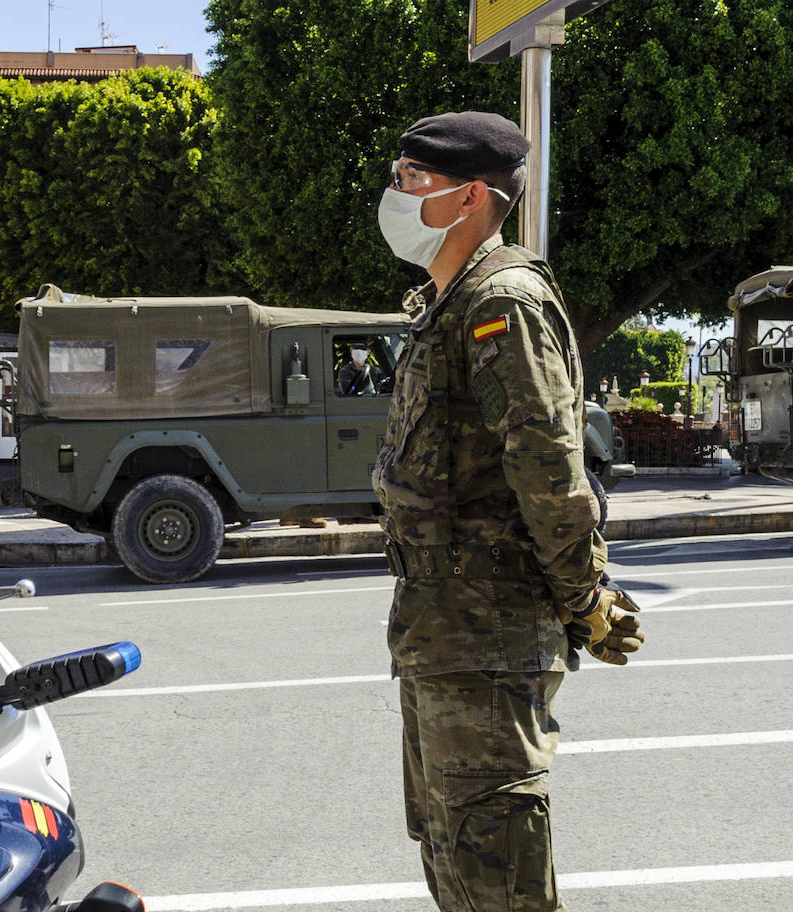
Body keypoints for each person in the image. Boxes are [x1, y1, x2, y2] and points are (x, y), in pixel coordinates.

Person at [371, 111, 644, 912]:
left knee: (500, 880)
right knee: (454, 861)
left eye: (412, 178)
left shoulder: (503, 303)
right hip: (438, 634)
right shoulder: (444, 304)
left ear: (471, 197)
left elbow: (549, 471)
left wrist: (586, 596)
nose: (395, 191)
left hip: (488, 641)